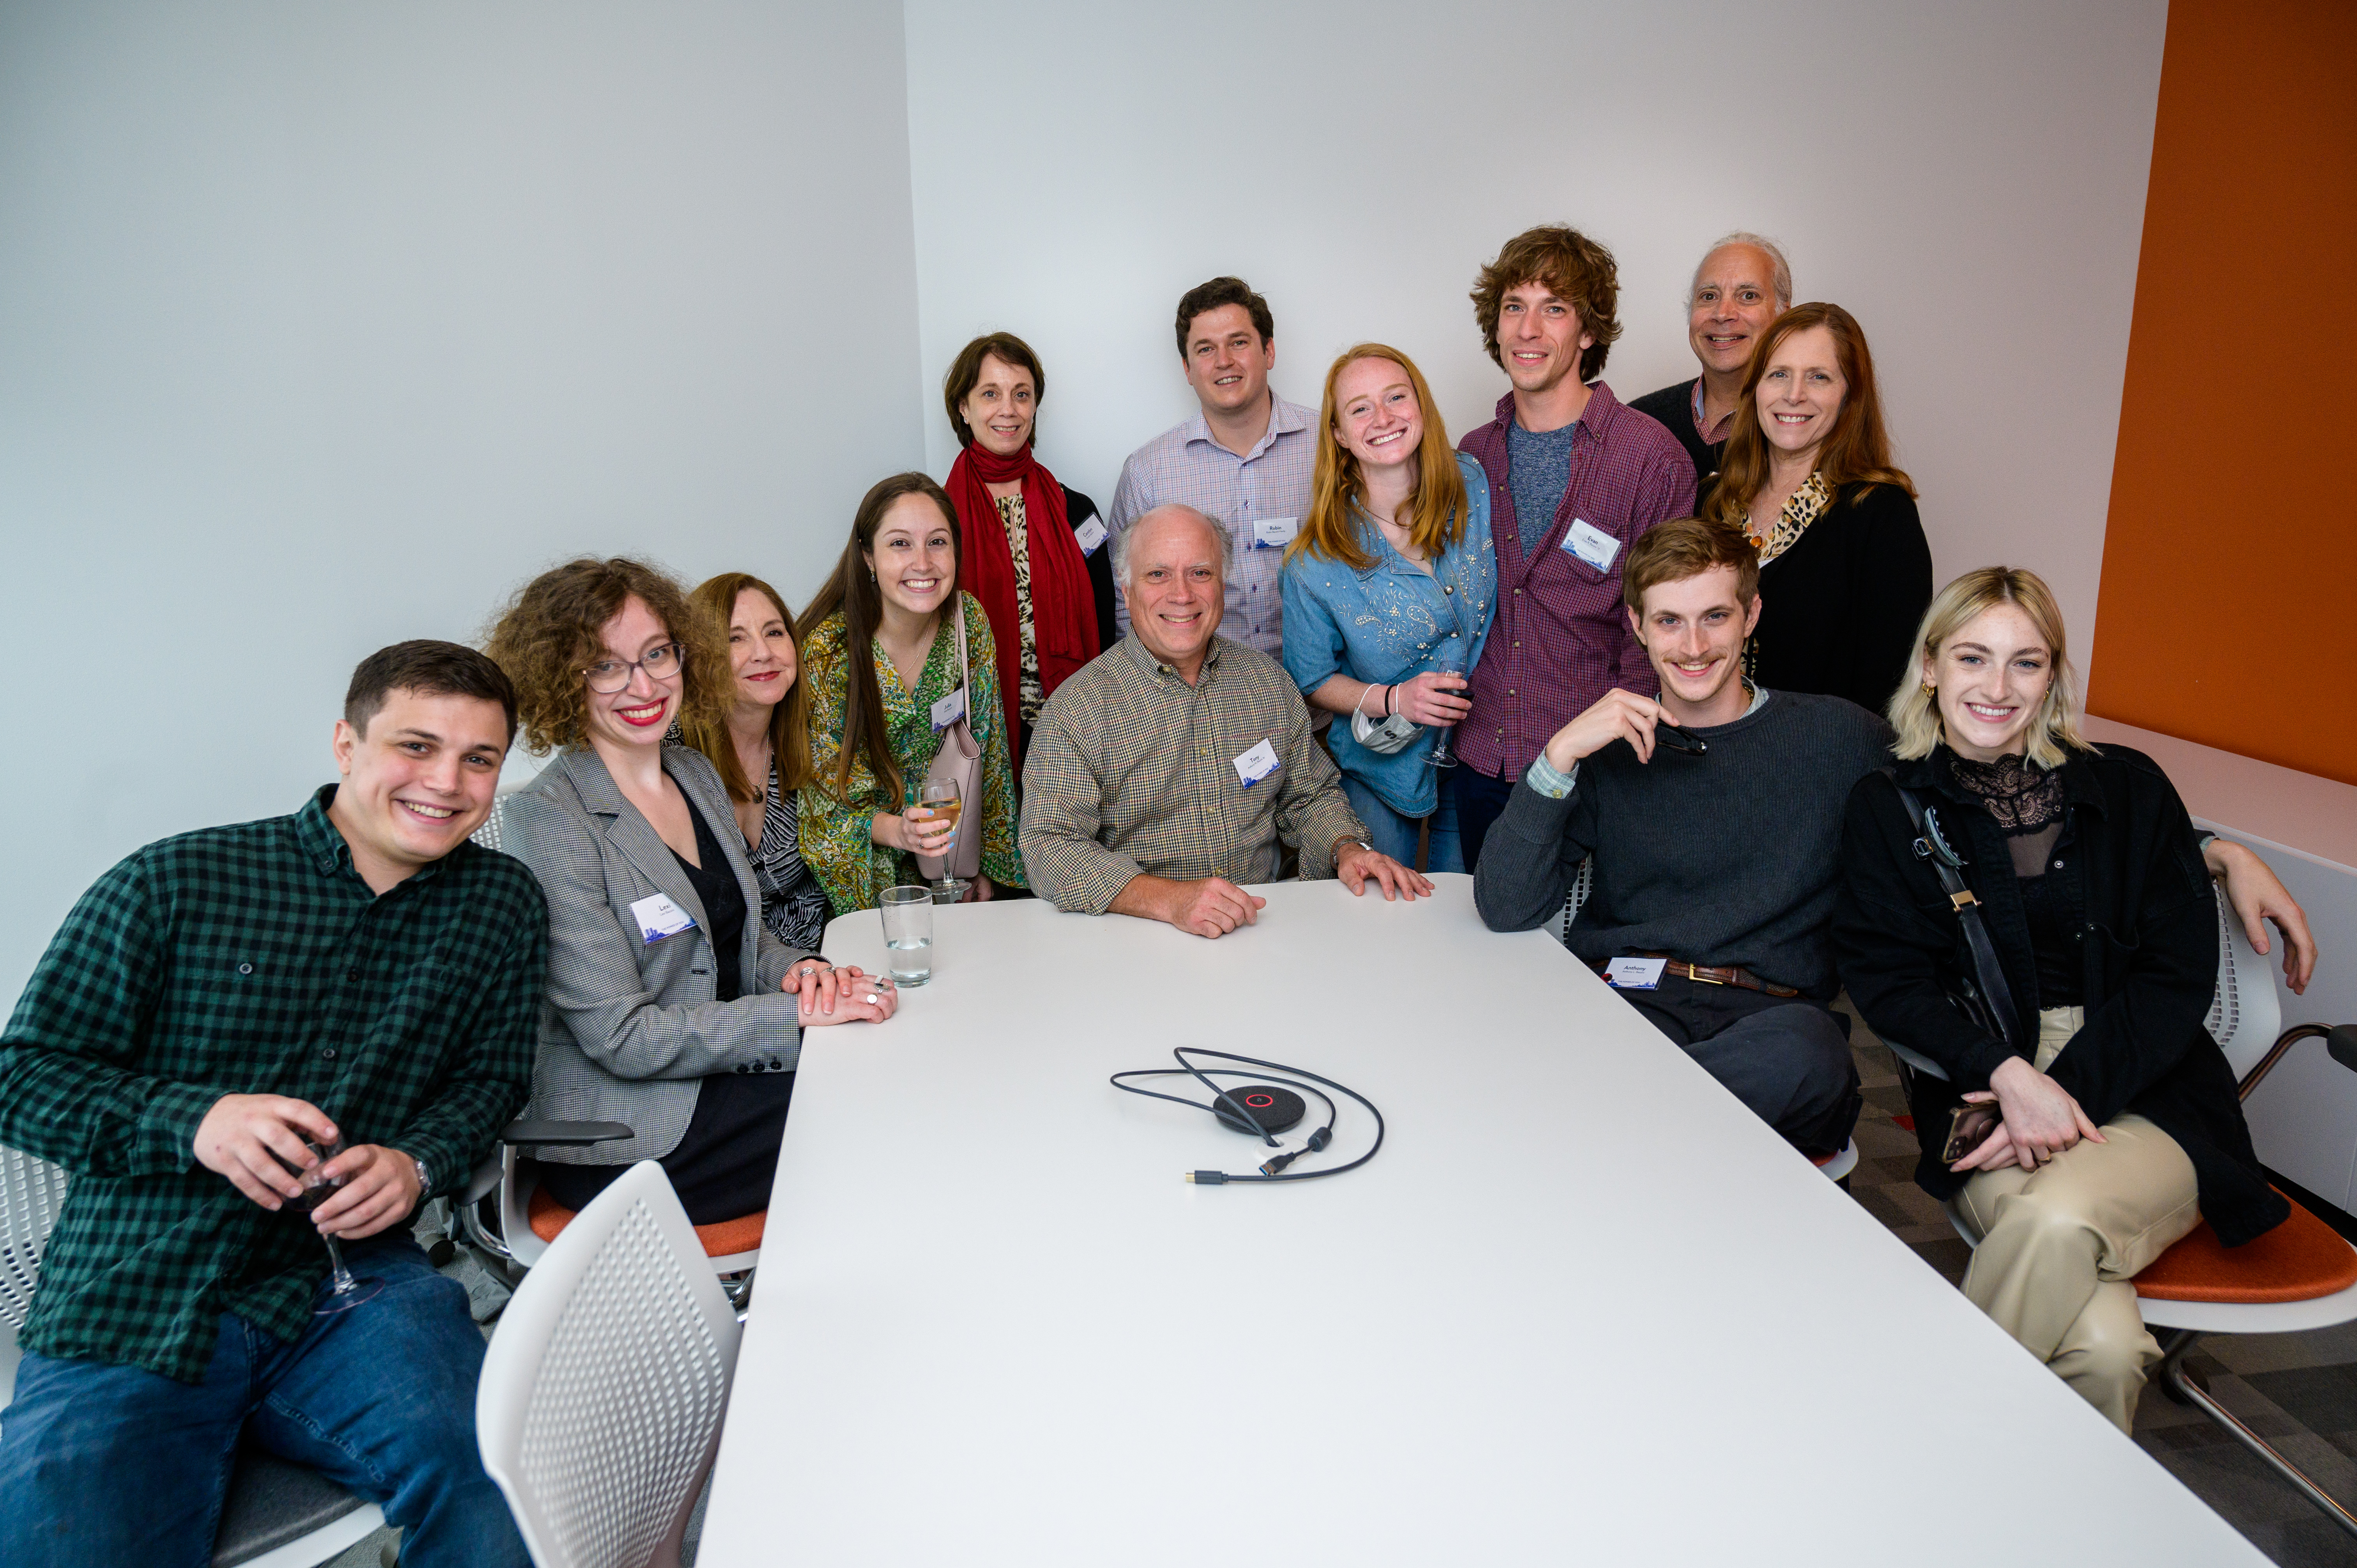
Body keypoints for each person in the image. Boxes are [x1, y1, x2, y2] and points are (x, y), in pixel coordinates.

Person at [0, 641, 546, 1567]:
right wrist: (197, 1121)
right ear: (346, 741)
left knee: (509, 1477)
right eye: (416, 745)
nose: (446, 782)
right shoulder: (173, 883)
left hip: (350, 1285)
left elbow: (491, 1080)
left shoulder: (500, 903)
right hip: (138, 1294)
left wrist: (417, 1161)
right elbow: (24, 1075)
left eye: (479, 759)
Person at [1835, 568, 2294, 1433]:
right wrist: (2006, 1074)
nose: (1998, 688)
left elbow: (2173, 976)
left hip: (2150, 1084)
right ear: (1931, 665)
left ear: (2055, 675)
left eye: (2026, 662)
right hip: (1982, 1088)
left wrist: (2061, 1088)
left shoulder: (2128, 787)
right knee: (2108, 1349)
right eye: (1974, 657)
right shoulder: (1886, 806)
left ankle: (1919, 1458)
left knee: (2052, 1220)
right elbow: (1887, 980)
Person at [490, 559, 896, 1226]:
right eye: (607, 665)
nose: (643, 684)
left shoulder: (693, 771)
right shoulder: (550, 819)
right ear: (564, 678)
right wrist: (791, 1017)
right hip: (630, 1128)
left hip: (720, 1072)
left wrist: (802, 973)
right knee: (871, 1101)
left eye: (657, 654)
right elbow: (624, 1036)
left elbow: (743, 936)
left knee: (879, 1055)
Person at [1473, 518, 1875, 1154]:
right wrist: (1557, 755)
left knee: (1810, 1058)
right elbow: (1505, 905)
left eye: (1714, 616)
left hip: (1769, 1021)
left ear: (1751, 614)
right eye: (1668, 621)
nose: (1692, 645)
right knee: (1535, 1047)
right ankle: (1647, 1147)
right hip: (1629, 1003)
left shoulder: (1841, 738)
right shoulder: (1605, 747)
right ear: (1636, 624)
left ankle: (1616, 1139)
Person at [1022, 503, 1430, 937]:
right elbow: (1050, 845)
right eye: (1157, 574)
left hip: (1259, 930)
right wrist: (1169, 900)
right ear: (1126, 590)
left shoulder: (1267, 683)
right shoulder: (1078, 708)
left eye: (1200, 573)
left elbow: (1309, 797)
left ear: (1222, 583)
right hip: (1141, 940)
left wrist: (1346, 847)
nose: (1182, 594)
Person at [1452, 224, 1698, 871]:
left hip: (1595, 772)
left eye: (1553, 309)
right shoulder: (1469, 457)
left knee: (1581, 965)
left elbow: (1654, 629)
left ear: (1587, 332)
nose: (1527, 329)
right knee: (1487, 953)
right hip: (1482, 762)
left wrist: (1621, 762)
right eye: (1514, 307)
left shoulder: (1649, 459)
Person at [1281, 344, 1496, 871]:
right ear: (1338, 434)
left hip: (1480, 754)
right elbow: (1311, 679)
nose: (1383, 418)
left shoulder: (1475, 483)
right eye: (1360, 408)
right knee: (1378, 919)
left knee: (1464, 917)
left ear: (1420, 404)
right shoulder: (1315, 561)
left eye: (1396, 397)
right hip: (1381, 767)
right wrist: (1396, 698)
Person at [799, 472, 1027, 909]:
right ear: (868, 556)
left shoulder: (968, 623)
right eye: (900, 544)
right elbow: (823, 809)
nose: (923, 563)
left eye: (938, 542)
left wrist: (982, 866)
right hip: (866, 881)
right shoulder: (828, 651)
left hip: (953, 870)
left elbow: (991, 754)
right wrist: (900, 831)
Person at [1703, 302, 1933, 714]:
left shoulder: (1880, 514)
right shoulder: (1714, 503)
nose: (1794, 395)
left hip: (1825, 765)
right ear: (1755, 388)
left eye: (1819, 378)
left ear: (1850, 396)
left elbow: (1891, 688)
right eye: (1778, 375)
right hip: (1708, 755)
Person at [1109, 277, 1314, 658]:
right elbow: (1129, 605)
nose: (1224, 361)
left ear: (1269, 351)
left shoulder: (1329, 446)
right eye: (1206, 349)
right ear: (1187, 369)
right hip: (1202, 708)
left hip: (1320, 704)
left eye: (1239, 342)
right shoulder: (1147, 473)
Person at [941, 331, 1117, 766]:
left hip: (1073, 728)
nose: (1008, 409)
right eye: (990, 393)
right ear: (964, 408)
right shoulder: (935, 519)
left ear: (1035, 406)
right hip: (976, 730)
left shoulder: (1077, 511)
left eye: (1022, 394)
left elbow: (1108, 620)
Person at [673, 571, 832, 951]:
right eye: (735, 638)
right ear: (699, 657)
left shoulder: (814, 736)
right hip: (720, 984)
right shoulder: (669, 754)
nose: (764, 653)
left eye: (775, 632)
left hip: (824, 958)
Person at [1627, 232, 1793, 493]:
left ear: (1784, 315)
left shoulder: (1798, 427)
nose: (1723, 313)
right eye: (1708, 296)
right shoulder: (1640, 422)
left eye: (1748, 296)